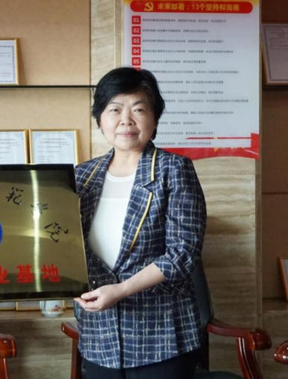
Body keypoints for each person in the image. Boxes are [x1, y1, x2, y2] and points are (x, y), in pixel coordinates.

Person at [74, 67, 207, 379]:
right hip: (99, 336)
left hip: (160, 337)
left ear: (154, 119)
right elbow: (64, 243)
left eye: (138, 109)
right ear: (99, 119)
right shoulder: (81, 176)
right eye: (114, 110)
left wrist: (122, 289)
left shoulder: (174, 170)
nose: (126, 120)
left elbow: (183, 252)